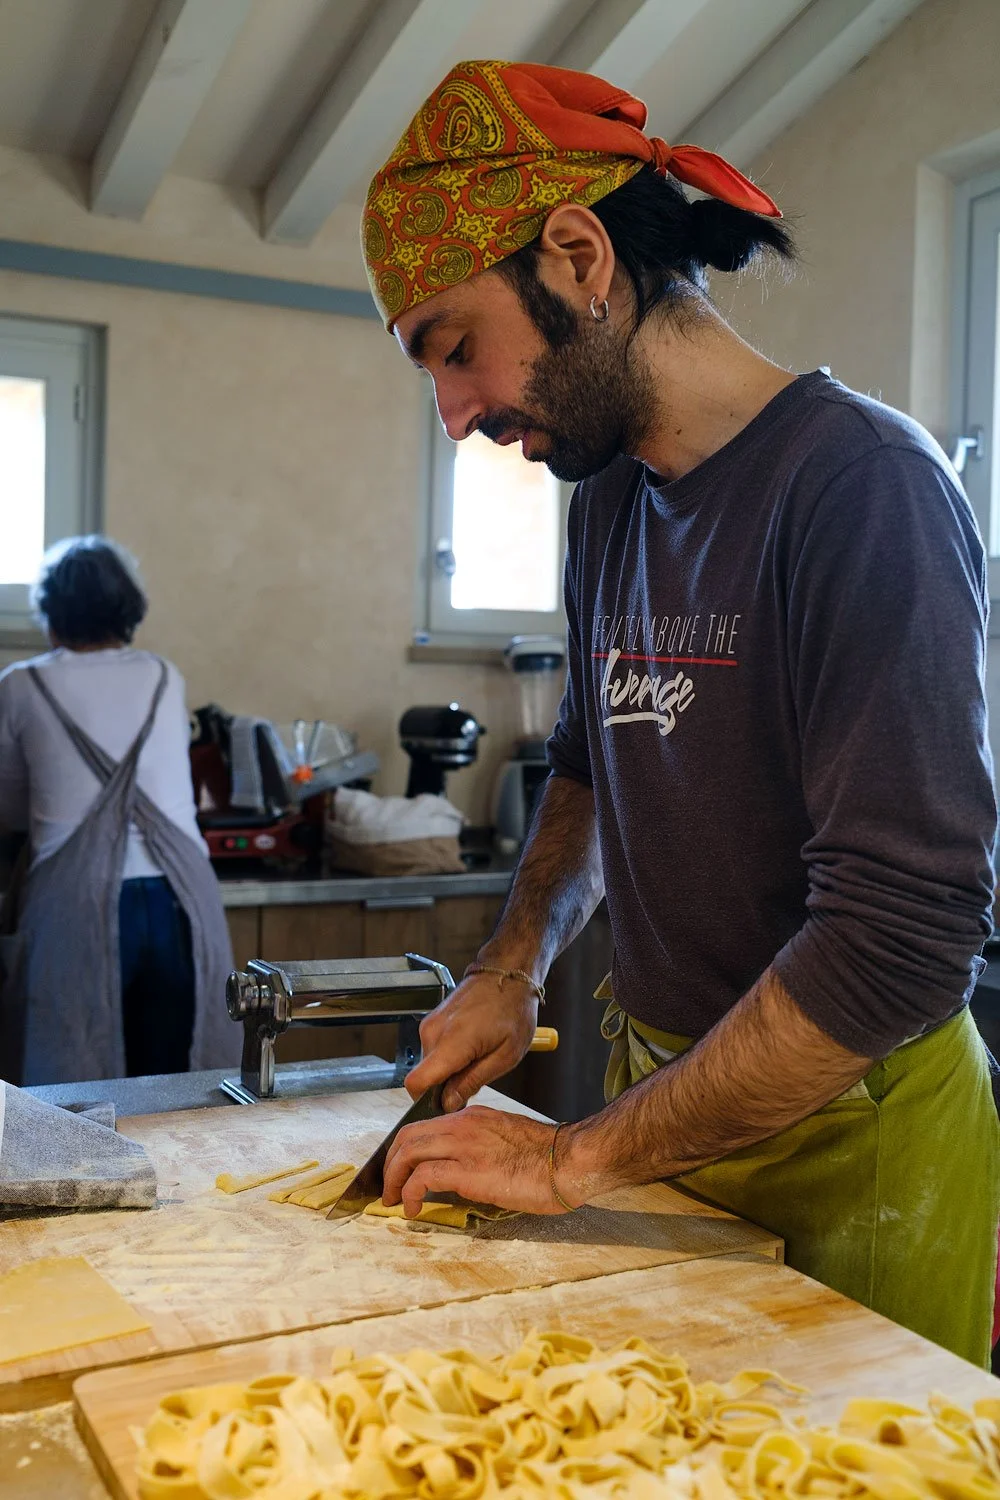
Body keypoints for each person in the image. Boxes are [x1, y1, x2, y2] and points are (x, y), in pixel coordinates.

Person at [361, 60, 999, 1365]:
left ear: (581, 255)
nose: (458, 411)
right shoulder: (608, 501)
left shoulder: (863, 489)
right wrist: (511, 965)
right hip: (663, 1115)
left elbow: (899, 942)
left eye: (457, 349)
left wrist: (571, 1158)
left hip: (849, 1135)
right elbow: (592, 771)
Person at [0, 536, 236, 1084]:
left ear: (51, 614)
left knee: (73, 1081)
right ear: (126, 612)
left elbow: (11, 810)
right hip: (180, 898)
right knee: (172, 1081)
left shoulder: (21, 685)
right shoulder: (163, 675)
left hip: (74, 904)